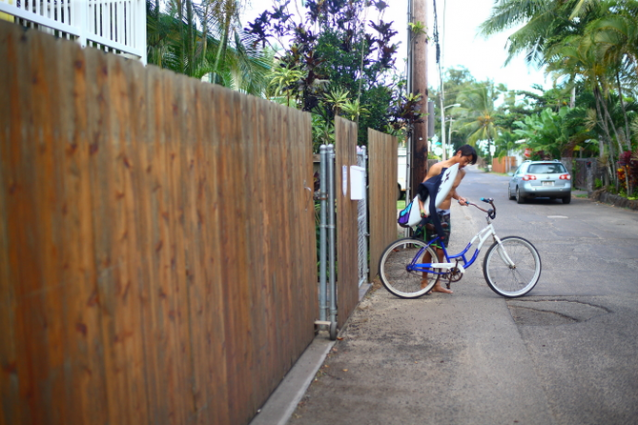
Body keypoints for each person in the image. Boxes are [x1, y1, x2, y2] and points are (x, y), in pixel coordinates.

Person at [417, 145, 477, 294]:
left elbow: (451, 189)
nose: (465, 164)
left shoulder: (460, 173)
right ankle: (424, 282)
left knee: (441, 251)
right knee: (430, 249)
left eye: (468, 162)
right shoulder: (438, 168)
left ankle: (436, 284)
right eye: (466, 159)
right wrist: (421, 208)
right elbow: (423, 189)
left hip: (446, 213)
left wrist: (459, 198)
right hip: (432, 211)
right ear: (459, 152)